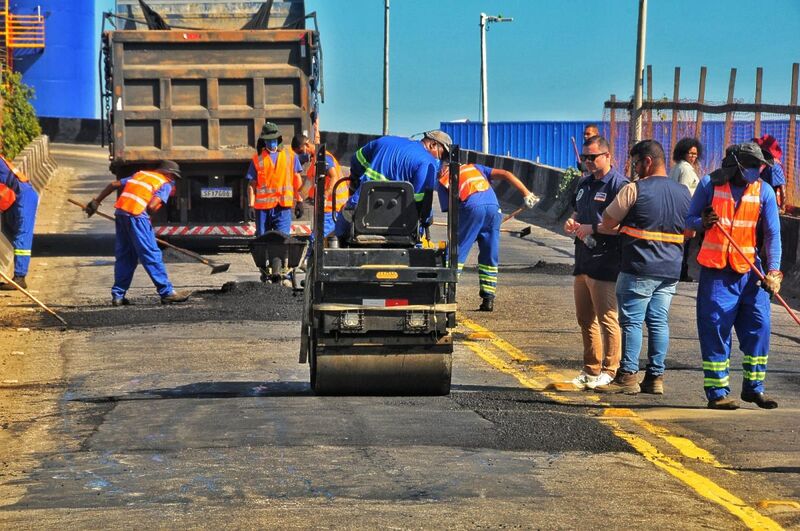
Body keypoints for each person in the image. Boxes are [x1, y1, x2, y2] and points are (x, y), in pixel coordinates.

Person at [686, 142, 782, 410]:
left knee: (759, 327)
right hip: (717, 275)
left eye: (759, 167)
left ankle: (754, 388)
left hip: (752, 274)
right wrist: (703, 221)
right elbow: (689, 219)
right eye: (752, 167)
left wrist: (773, 272)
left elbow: (773, 234)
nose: (756, 171)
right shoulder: (709, 184)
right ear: (737, 165)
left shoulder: (764, 191)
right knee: (716, 329)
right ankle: (717, 392)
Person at [595, 140, 691, 395]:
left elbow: (607, 220)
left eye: (636, 163)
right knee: (659, 322)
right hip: (670, 270)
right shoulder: (683, 192)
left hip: (638, 267)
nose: (634, 168)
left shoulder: (634, 189)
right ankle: (655, 377)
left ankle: (627, 375)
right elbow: (690, 230)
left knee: (632, 322)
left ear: (647, 162)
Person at [563, 135, 628, 390]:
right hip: (583, 258)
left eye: (593, 157)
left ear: (607, 156)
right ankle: (591, 369)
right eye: (585, 158)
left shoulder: (619, 185)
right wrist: (572, 223)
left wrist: (593, 228)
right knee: (585, 318)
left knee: (607, 318)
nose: (588, 162)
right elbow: (577, 213)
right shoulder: (584, 184)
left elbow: (623, 227)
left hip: (606, 260)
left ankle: (610, 369)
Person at [83, 160, 190, 305]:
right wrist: (150, 216)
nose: (173, 180)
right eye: (174, 177)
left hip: (121, 214)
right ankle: (167, 293)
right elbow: (152, 207)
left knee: (126, 256)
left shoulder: (141, 174)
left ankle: (118, 296)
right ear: (169, 173)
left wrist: (96, 202)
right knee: (151, 253)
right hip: (137, 216)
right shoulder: (165, 183)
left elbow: (114, 185)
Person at [437, 163, 539, 311]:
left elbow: (453, 213)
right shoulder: (474, 167)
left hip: (472, 209)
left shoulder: (444, 180)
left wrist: (466, 229)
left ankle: (445, 294)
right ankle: (488, 299)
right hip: (494, 209)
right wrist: (527, 194)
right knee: (489, 254)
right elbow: (506, 173)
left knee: (456, 251)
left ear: (442, 170)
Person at [334, 130, 450, 239]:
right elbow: (421, 202)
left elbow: (357, 160)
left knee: (338, 236)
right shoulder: (428, 162)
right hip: (397, 225)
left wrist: (356, 185)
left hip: (359, 213)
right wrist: (426, 221)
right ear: (433, 144)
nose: (440, 159)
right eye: (442, 155)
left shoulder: (384, 141)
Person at [246, 122, 304, 236]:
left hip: (282, 208)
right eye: (269, 140)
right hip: (263, 210)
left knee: (282, 240)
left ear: (279, 139)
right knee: (262, 241)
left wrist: (300, 201)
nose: (272, 142)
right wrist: (250, 205)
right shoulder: (257, 159)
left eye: (274, 139)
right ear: (264, 141)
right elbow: (252, 185)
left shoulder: (291, 157)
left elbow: (297, 181)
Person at [291, 134, 347, 237]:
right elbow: (307, 187)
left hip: (333, 209)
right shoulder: (315, 161)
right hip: (325, 209)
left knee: (315, 239)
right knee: (318, 240)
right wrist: (299, 202)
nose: (300, 155)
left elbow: (334, 177)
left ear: (307, 145)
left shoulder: (324, 157)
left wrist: (325, 195)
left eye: (300, 152)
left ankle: (310, 254)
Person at [0, 155, 39, 290]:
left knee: (22, 237)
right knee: (8, 233)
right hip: (12, 200)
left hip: (24, 197)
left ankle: (20, 277)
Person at [670, 137, 703, 282]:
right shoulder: (685, 169)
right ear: (683, 153)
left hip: (675, 212)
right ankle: (681, 273)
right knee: (684, 245)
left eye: (695, 154)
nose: (693, 156)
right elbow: (684, 193)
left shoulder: (677, 167)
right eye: (690, 153)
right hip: (684, 213)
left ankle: (680, 272)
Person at [753, 134, 787, 212]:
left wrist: (782, 208)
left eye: (761, 147)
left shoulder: (774, 166)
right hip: (762, 204)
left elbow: (782, 187)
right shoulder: (764, 164)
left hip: (771, 207)